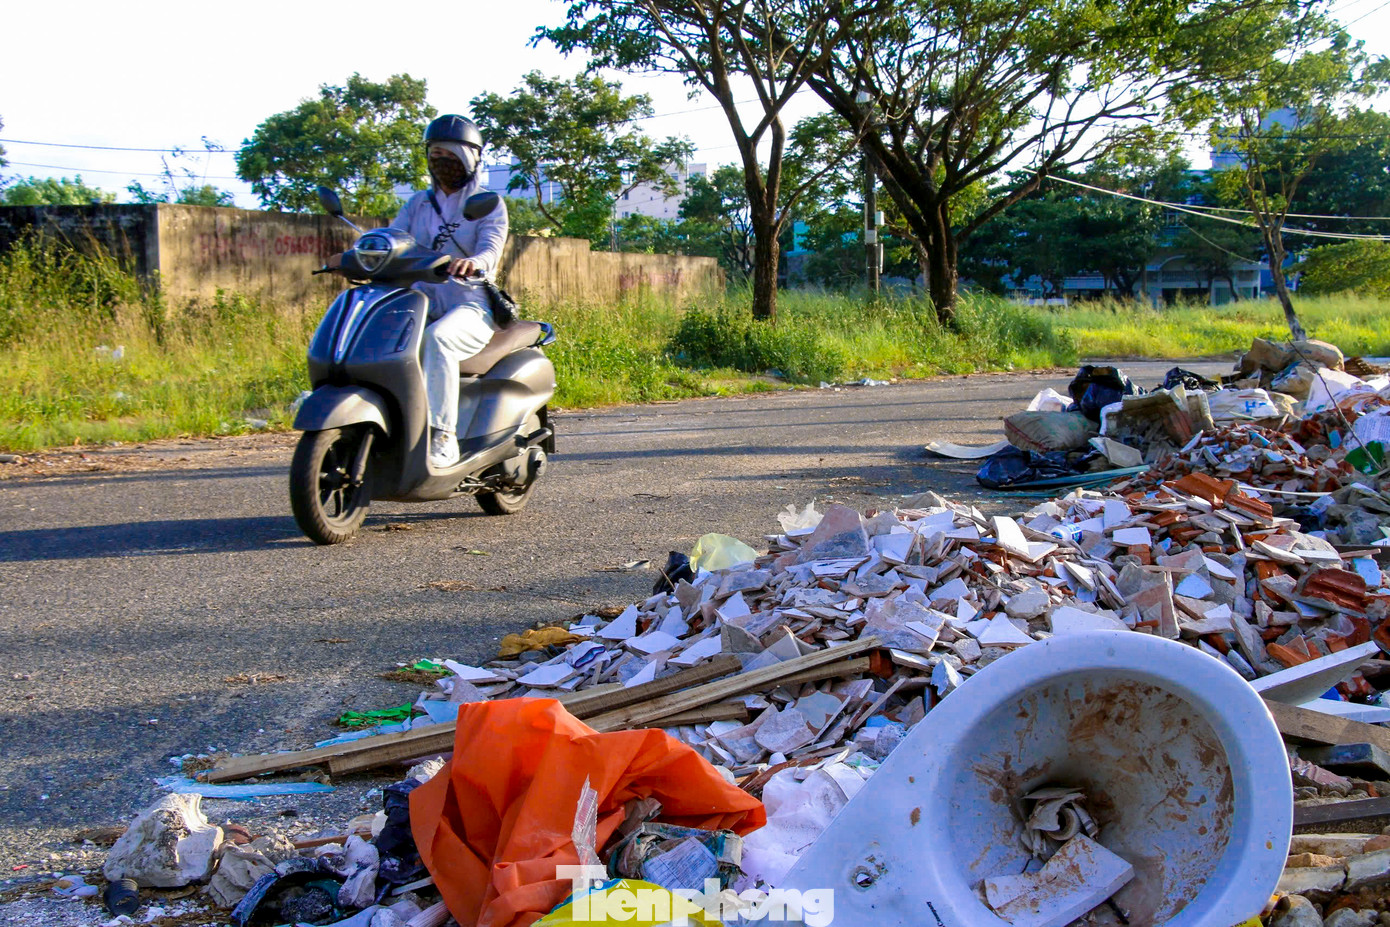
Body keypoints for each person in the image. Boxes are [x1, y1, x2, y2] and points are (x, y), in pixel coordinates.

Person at [328, 114, 509, 468]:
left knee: (439, 340)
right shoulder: (418, 203)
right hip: (419, 302)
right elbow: (395, 240)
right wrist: (355, 256)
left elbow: (491, 249)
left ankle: (443, 436)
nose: (442, 164)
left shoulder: (488, 203)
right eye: (435, 156)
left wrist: (473, 262)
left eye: (451, 157)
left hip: (470, 304)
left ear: (470, 159)